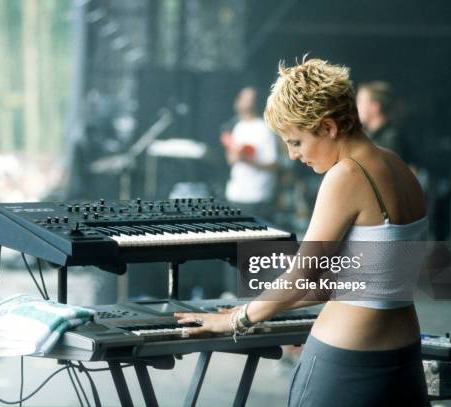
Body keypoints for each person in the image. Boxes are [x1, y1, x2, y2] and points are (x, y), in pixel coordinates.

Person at [176, 58, 429, 406]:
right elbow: (367, 282)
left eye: (296, 142)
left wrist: (237, 320)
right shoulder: (399, 167)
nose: (294, 156)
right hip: (404, 361)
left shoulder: (346, 175)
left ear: (328, 127)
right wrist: (261, 305)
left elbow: (303, 276)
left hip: (348, 362)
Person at [221, 86, 279, 221]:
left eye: (249, 99)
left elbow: (274, 165)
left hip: (257, 196)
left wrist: (248, 160)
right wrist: (234, 156)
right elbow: (231, 160)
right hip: (235, 195)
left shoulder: (263, 128)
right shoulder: (238, 126)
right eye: (243, 98)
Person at [356, 81, 404, 157]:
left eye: (360, 101)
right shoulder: (367, 135)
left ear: (375, 107)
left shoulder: (391, 139)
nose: (356, 107)